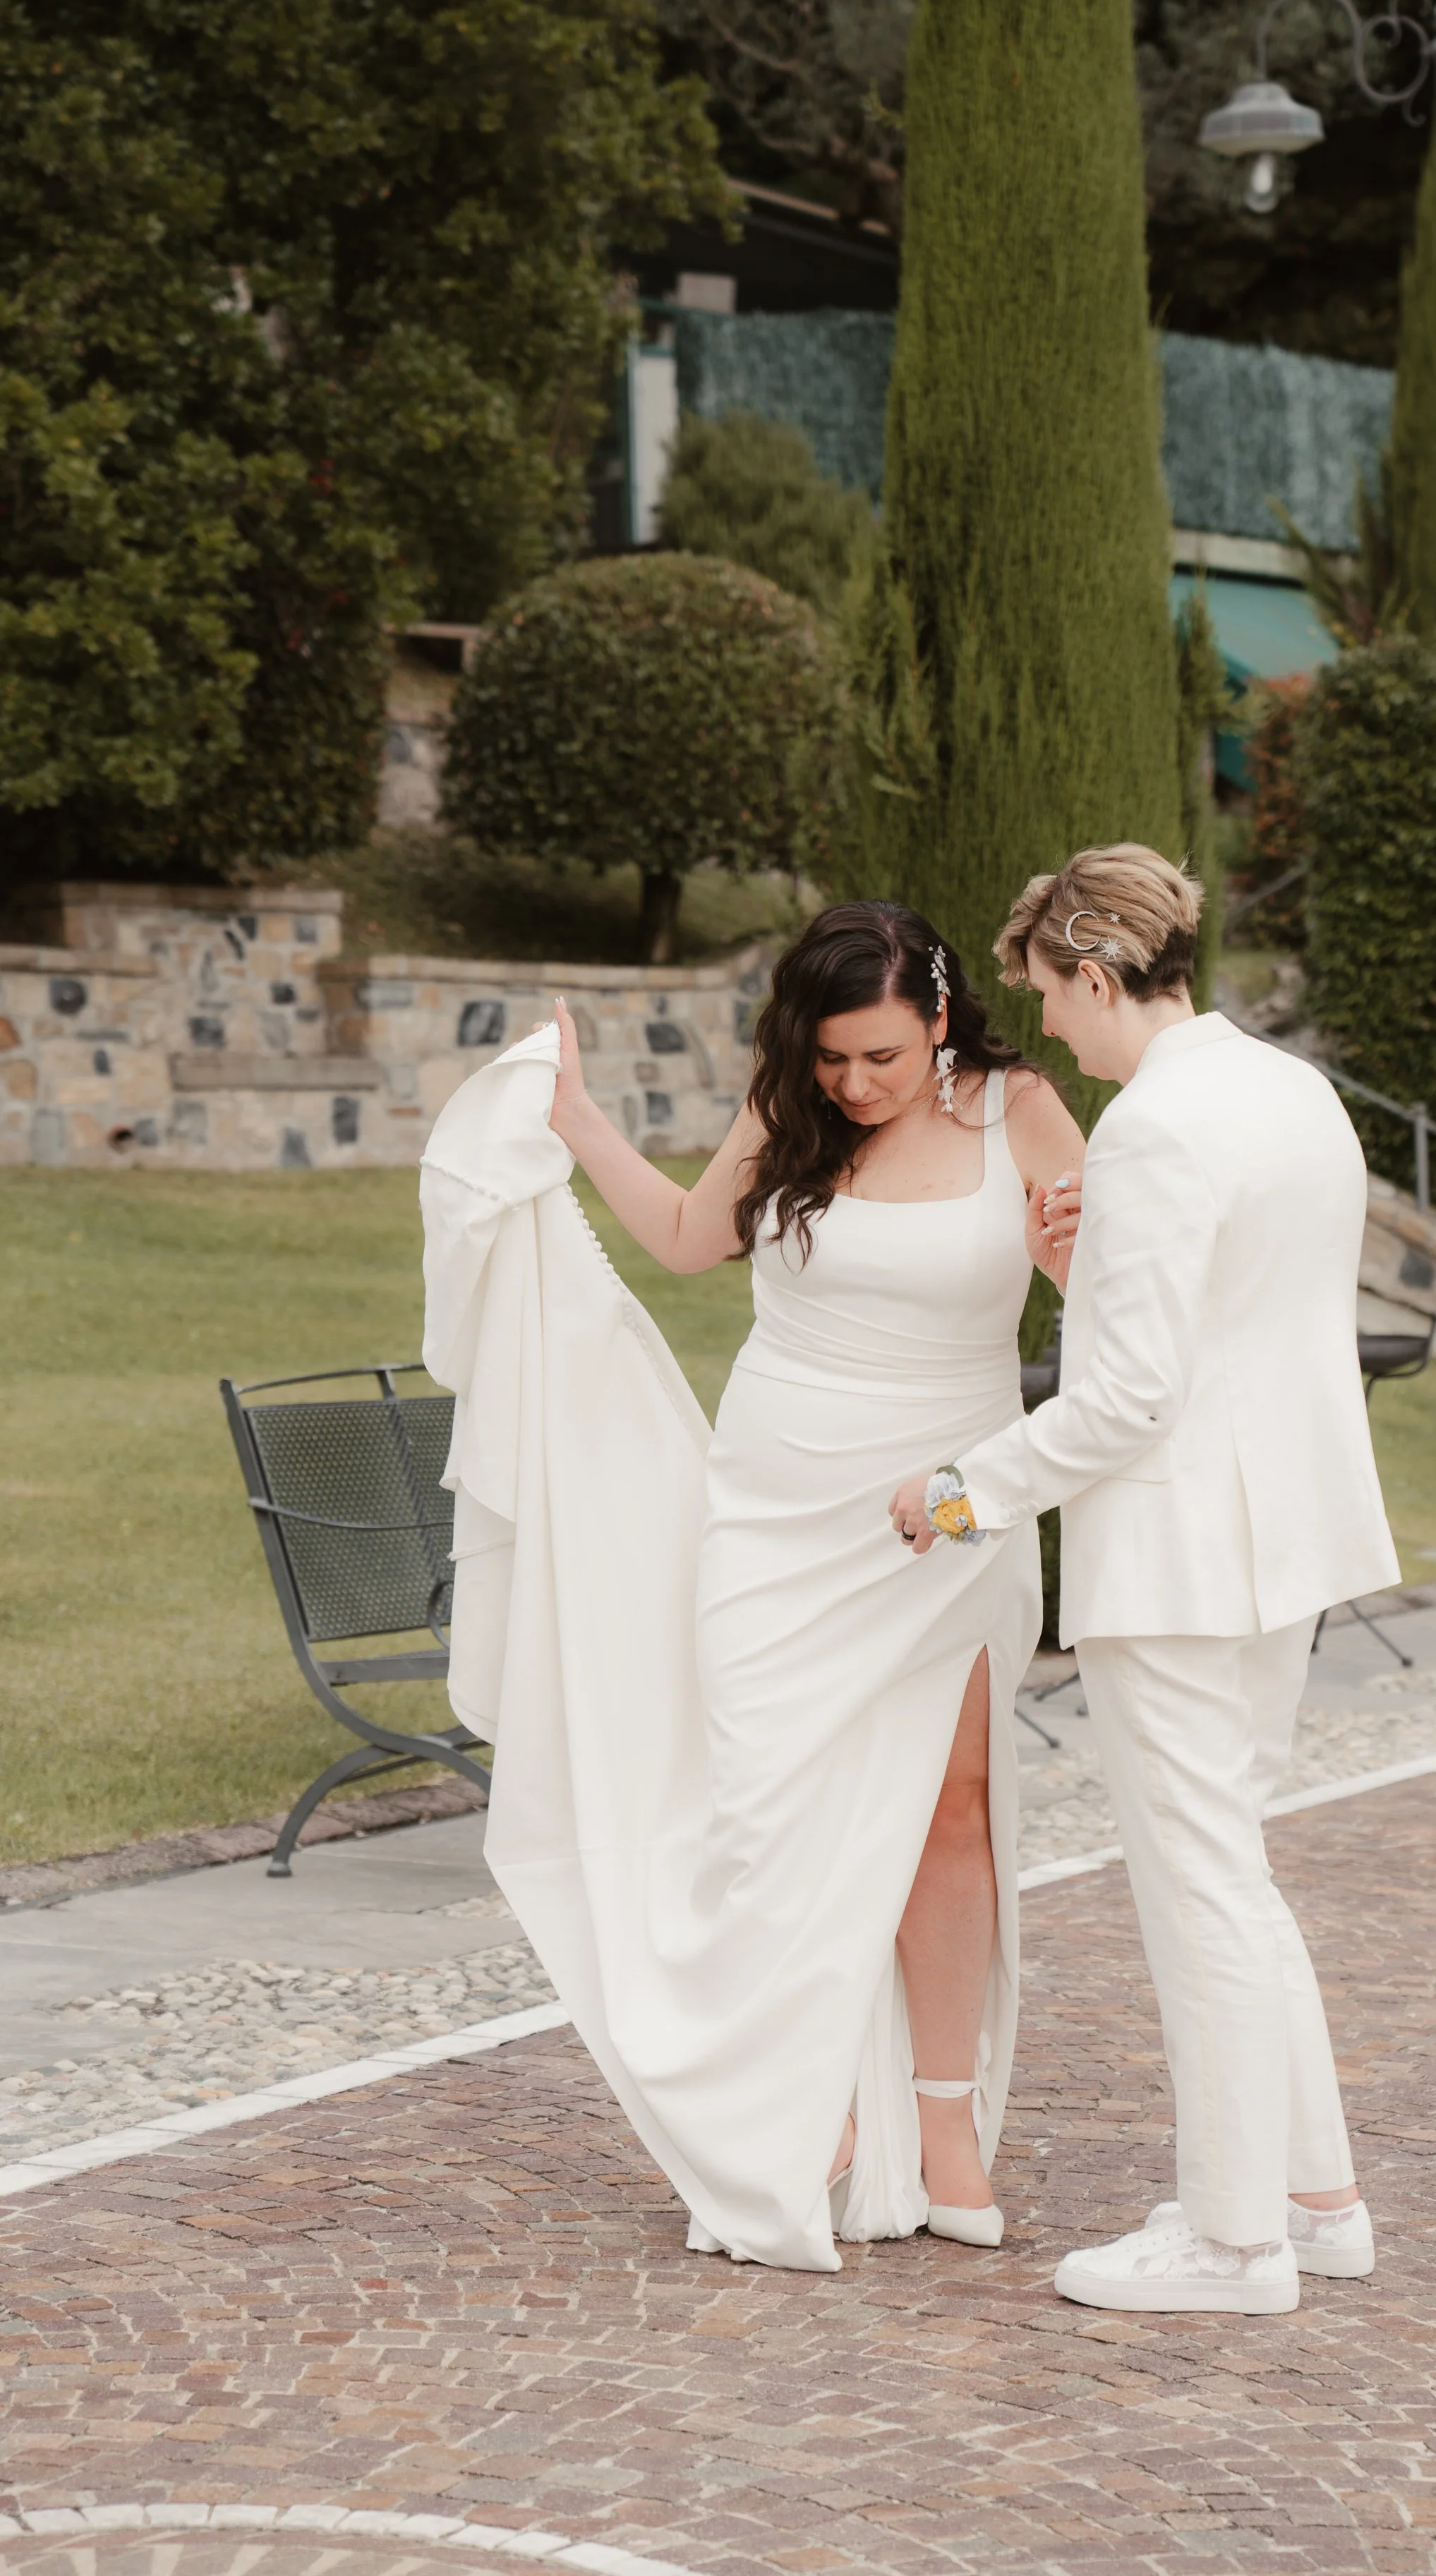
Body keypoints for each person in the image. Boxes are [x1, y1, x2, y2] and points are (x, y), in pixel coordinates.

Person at [420, 900, 1085, 2271]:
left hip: (947, 1518)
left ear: (942, 1019)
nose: (853, 1084)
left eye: (882, 1058)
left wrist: (1079, 1261)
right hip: (770, 1513)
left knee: (945, 1817)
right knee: (767, 1811)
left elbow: (1118, 1291)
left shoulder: (1016, 1110)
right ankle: (812, 2105)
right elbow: (681, 1238)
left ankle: (945, 2124)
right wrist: (575, 1119)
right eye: (833, 1056)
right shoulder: (790, 1106)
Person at [889, 843, 1399, 2316]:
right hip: (1278, 1539)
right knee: (1229, 1867)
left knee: (1198, 1889)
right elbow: (1220, 1324)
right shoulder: (1285, 1089)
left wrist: (958, 1490)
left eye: (1052, 994)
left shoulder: (1158, 1130)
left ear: (1100, 974)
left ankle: (1232, 2240)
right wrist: (1086, 1270)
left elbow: (1123, 1402)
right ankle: (1316, 2198)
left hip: (1181, 1555)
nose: (1048, 1024)